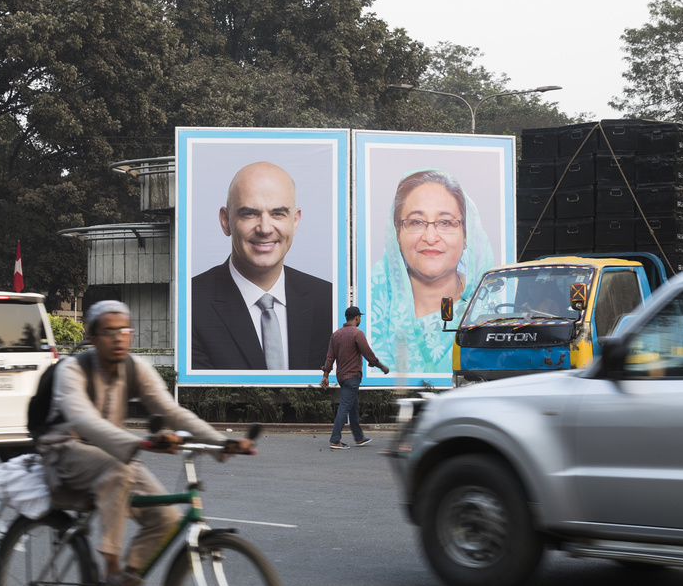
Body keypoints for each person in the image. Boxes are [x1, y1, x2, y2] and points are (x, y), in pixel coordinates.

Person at [38, 300, 253, 586]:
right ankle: (111, 574)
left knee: (167, 519)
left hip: (116, 453)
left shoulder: (135, 368)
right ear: (92, 337)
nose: (119, 338)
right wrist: (141, 441)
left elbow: (170, 411)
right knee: (118, 471)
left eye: (125, 330)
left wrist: (218, 443)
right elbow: (84, 421)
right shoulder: (72, 370)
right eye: (109, 332)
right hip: (64, 451)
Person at [191, 161, 333, 371]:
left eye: (278, 213)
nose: (265, 228)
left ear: (295, 222)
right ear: (225, 221)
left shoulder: (329, 302)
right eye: (249, 213)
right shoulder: (190, 305)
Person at [368, 168, 495, 377]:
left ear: (466, 235)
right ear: (397, 234)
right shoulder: (370, 303)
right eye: (416, 222)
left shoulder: (493, 306)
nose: (430, 236)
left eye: (445, 222)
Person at [321, 306, 389, 450]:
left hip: (342, 378)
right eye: (360, 318)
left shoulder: (336, 335)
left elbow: (329, 357)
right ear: (357, 317)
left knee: (352, 406)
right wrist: (382, 367)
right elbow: (368, 353)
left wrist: (325, 376)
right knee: (345, 407)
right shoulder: (357, 334)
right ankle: (335, 439)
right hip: (352, 377)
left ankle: (359, 438)